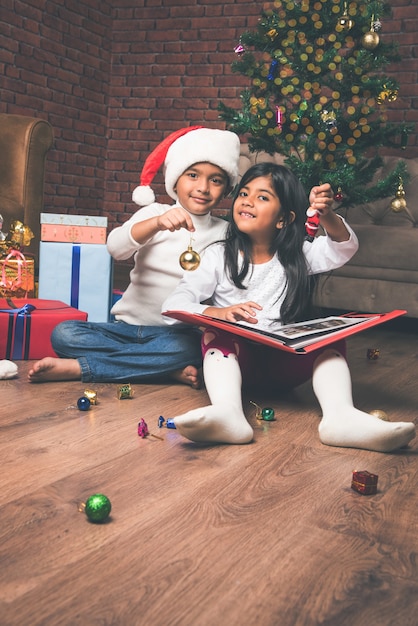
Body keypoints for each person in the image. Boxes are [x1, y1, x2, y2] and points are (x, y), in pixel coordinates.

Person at [28, 126, 338, 388]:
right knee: (65, 333)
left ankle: (83, 369)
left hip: (179, 334)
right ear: (175, 179)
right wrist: (155, 224)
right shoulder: (154, 213)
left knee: (190, 348)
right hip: (125, 328)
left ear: (226, 189)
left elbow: (266, 254)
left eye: (216, 180)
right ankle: (163, 371)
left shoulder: (227, 233)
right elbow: (115, 247)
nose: (202, 188)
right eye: (192, 175)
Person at [162, 162, 416, 452]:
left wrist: (327, 214)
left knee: (330, 340)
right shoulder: (217, 256)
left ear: (283, 219)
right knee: (216, 336)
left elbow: (345, 247)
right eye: (244, 193)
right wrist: (215, 313)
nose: (247, 200)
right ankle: (227, 413)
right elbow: (174, 304)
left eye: (262, 197)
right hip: (238, 366)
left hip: (285, 368)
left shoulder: (299, 254)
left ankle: (340, 417)